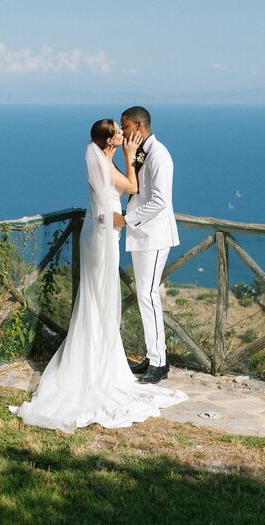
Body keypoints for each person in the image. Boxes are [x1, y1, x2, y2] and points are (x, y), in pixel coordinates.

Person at [10, 118, 185, 432]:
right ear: (109, 142)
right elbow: (132, 187)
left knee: (95, 295)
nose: (122, 134)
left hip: (96, 229)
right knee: (101, 295)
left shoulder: (99, 159)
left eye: (123, 129)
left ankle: (95, 354)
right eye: (118, 132)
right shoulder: (106, 165)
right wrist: (131, 158)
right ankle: (99, 362)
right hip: (104, 235)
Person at [113, 106, 179, 384]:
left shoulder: (159, 154)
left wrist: (128, 219)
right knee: (144, 295)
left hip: (153, 237)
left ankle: (160, 362)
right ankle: (153, 357)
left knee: (149, 296)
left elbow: (161, 200)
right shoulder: (142, 152)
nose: (123, 132)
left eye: (125, 127)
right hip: (142, 236)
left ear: (139, 126)